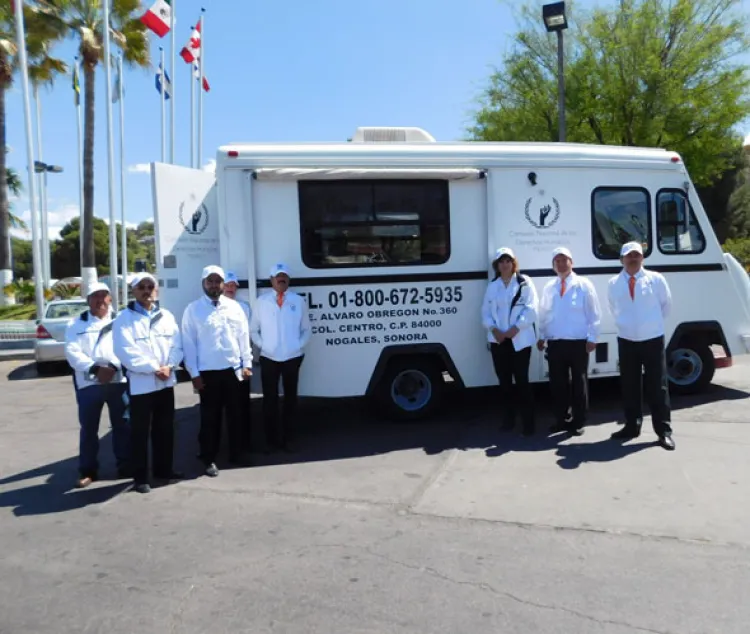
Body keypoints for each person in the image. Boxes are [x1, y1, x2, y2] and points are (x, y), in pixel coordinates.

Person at [113, 273, 184, 493]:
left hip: (165, 383)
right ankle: (141, 477)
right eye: (141, 287)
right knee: (140, 433)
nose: (146, 290)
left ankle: (164, 470)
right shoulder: (123, 320)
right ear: (133, 291)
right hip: (141, 386)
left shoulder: (167, 316)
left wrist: (169, 367)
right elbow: (125, 352)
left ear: (156, 290)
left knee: (165, 430)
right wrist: (154, 368)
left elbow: (177, 346)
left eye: (150, 286)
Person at [182, 265, 253, 477]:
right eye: (210, 281)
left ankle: (236, 454)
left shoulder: (234, 307)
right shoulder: (193, 310)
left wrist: (247, 364)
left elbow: (243, 336)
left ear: (223, 284)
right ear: (203, 283)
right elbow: (189, 344)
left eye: (217, 281)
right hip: (208, 373)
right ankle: (208, 457)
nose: (214, 285)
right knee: (209, 418)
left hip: (233, 370)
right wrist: (194, 374)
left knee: (236, 415)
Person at [607, 241, 675, 451]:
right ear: (622, 259)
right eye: (629, 255)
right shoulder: (613, 283)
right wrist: (627, 325)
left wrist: (649, 325)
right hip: (627, 339)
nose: (633, 258)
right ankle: (632, 426)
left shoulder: (656, 279)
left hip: (652, 338)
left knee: (658, 386)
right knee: (629, 385)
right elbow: (613, 308)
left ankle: (663, 431)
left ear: (642, 258)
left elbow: (666, 306)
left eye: (637, 255)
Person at [64, 282, 129, 489]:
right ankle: (88, 471)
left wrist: (112, 367)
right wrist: (95, 369)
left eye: (104, 296)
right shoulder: (75, 324)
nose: (100, 300)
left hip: (118, 380)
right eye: (95, 296)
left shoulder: (122, 320)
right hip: (89, 384)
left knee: (122, 426)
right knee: (89, 429)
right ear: (88, 300)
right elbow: (72, 352)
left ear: (110, 298)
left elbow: (128, 347)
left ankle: (125, 466)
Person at [537, 247, 602, 436]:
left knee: (579, 383)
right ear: (553, 265)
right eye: (556, 261)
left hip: (578, 342)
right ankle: (561, 419)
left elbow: (594, 314)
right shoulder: (550, 287)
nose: (560, 263)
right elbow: (544, 314)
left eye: (564, 260)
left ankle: (579, 421)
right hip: (556, 342)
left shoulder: (584, 284)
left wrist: (593, 338)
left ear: (571, 262)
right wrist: (542, 336)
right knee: (558, 384)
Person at [250, 263, 311, 452]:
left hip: (292, 357)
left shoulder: (298, 301)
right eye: (277, 277)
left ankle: (289, 438)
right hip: (269, 357)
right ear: (271, 280)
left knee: (291, 399)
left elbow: (307, 329)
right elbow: (253, 330)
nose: (281, 279)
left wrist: (297, 346)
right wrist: (263, 345)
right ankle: (271, 440)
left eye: (284, 276)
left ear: (288, 280)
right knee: (270, 400)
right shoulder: (262, 302)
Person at [481, 247, 539, 436]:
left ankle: (528, 423)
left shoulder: (524, 283)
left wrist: (516, 328)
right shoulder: (493, 286)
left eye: (508, 261)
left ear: (513, 263)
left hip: (519, 340)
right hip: (499, 341)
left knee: (522, 382)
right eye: (501, 261)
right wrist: (494, 329)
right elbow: (485, 313)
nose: (505, 265)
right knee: (504, 383)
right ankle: (509, 419)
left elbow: (532, 309)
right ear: (497, 265)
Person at [223, 271, 253, 451]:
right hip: (221, 365)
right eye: (227, 285)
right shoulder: (212, 306)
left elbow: (246, 336)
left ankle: (245, 442)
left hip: (241, 363)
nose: (230, 289)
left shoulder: (244, 307)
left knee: (243, 405)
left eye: (233, 285)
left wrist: (247, 363)